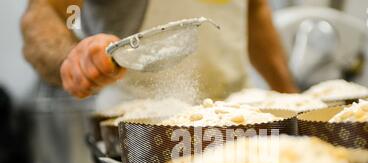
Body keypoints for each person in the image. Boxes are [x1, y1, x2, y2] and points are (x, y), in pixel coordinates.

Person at [21, 0, 298, 105]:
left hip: (239, 115)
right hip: (144, 133)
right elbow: (42, 13)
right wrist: (71, 59)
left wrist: (291, 98)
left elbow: (255, 12)